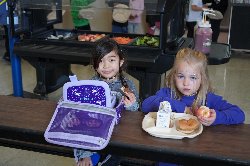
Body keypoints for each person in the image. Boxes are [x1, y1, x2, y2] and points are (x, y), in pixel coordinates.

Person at [142, 48, 245, 166]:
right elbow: (145, 105)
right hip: (168, 155)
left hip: (198, 155)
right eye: (181, 76)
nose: (186, 83)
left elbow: (239, 114)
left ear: (202, 79)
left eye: (193, 77)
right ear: (173, 75)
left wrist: (216, 117)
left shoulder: (208, 99)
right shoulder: (167, 94)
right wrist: (182, 108)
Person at [74, 38, 140, 166]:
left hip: (118, 135)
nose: (106, 66)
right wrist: (86, 153)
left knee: (114, 157)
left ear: (120, 62)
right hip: (95, 132)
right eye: (100, 61)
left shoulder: (126, 85)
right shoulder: (91, 84)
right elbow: (83, 118)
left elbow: (135, 112)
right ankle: (87, 155)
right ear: (94, 64)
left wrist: (132, 105)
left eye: (111, 60)